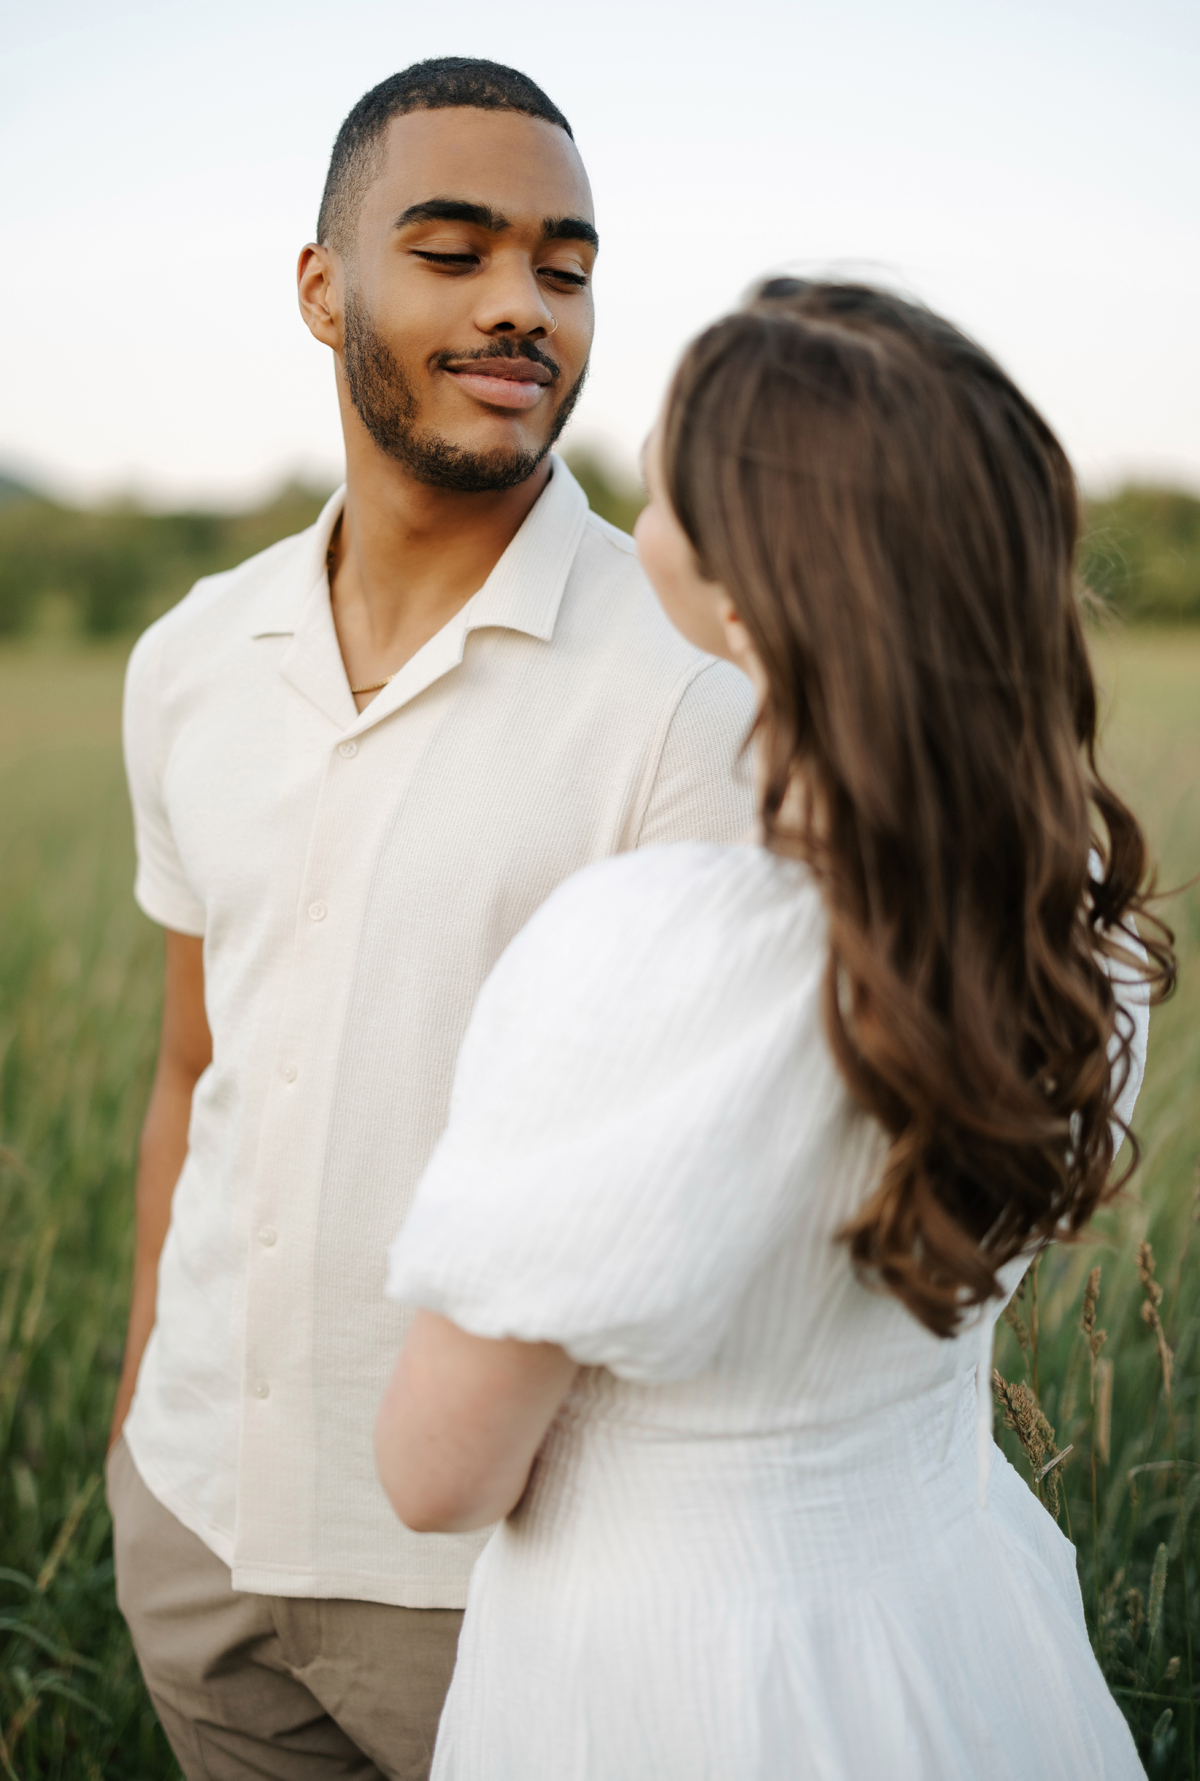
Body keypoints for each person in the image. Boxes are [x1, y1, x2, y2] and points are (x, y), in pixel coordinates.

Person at [377, 280, 1175, 1779]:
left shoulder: (648, 952)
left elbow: (436, 1473)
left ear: (746, 596)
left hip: (675, 1684)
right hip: (960, 1631)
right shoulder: (1071, 912)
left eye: (676, 464)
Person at [105, 57, 752, 1781]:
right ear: (323, 290)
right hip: (195, 1538)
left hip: (510, 1587)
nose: (520, 307)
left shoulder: (693, 692)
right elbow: (196, 1068)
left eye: (564, 263)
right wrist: (134, 1437)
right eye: (453, 251)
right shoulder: (189, 661)